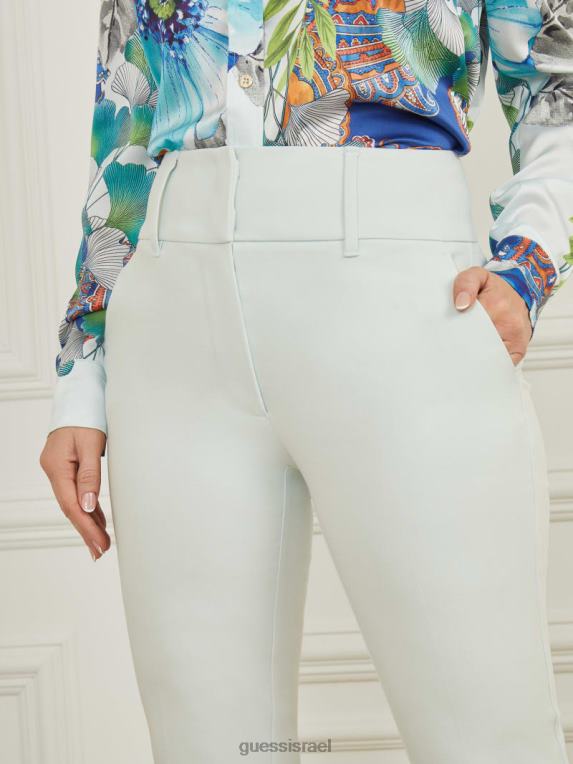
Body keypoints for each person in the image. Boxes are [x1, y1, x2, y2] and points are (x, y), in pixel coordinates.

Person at [39, 1, 572, 762]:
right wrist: (84, 370)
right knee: (209, 745)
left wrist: (526, 266)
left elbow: (560, 76)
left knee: (486, 736)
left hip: (405, 296)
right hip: (170, 319)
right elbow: (125, 109)